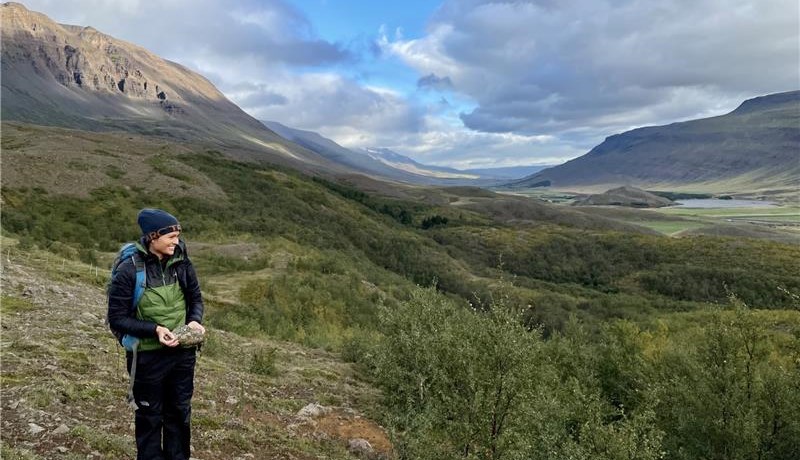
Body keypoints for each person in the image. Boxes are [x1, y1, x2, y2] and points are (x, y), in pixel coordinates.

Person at [107, 208, 205, 460]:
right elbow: (117, 318)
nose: (177, 241)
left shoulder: (181, 263)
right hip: (147, 357)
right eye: (171, 236)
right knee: (150, 417)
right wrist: (155, 329)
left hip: (182, 354)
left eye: (177, 235)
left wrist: (194, 322)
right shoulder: (129, 271)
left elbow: (195, 298)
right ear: (153, 237)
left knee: (179, 413)